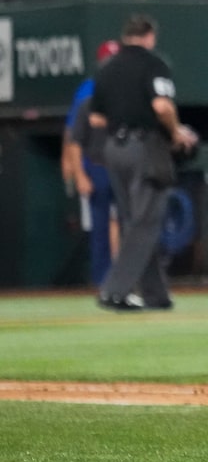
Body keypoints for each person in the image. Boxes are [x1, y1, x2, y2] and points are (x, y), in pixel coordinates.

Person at [89, 15, 199, 311]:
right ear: (149, 36)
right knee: (146, 222)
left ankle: (155, 294)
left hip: (114, 147)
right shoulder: (154, 63)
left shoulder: (107, 67)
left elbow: (96, 118)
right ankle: (114, 290)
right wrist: (176, 132)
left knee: (135, 222)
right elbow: (162, 105)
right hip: (146, 147)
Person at [62, 40, 123, 288]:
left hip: (123, 167)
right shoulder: (88, 96)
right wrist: (77, 172)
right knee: (100, 229)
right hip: (97, 166)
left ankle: (125, 278)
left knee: (129, 225)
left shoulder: (129, 96)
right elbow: (74, 138)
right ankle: (102, 281)